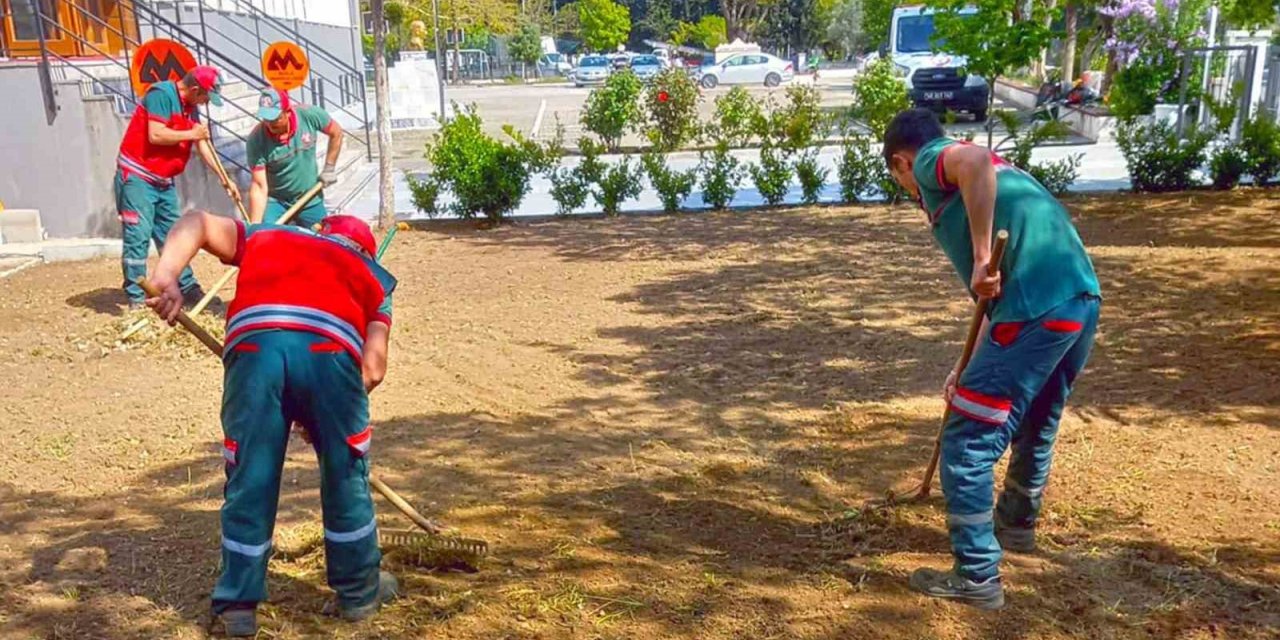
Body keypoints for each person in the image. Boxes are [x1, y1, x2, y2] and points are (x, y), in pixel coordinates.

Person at [881, 108, 1101, 610]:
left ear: (900, 163)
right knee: (1036, 419)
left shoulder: (931, 160)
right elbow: (993, 302)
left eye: (899, 180)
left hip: (1036, 309)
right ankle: (1016, 525)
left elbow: (975, 160)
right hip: (1076, 301)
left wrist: (981, 257)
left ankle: (977, 574)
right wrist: (965, 368)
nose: (910, 192)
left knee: (966, 440)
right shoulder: (1004, 179)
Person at [144, 211, 397, 636]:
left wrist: (167, 274)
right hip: (329, 356)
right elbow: (372, 369)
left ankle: (238, 607)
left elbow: (197, 223)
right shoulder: (375, 278)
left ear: (318, 232)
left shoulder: (271, 235)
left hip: (254, 350)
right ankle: (359, 593)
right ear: (366, 252)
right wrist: (323, 417)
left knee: (251, 476)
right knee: (346, 474)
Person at [116, 66, 240, 309]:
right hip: (138, 176)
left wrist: (225, 178)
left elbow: (201, 142)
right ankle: (136, 296)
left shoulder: (190, 107)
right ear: (195, 89)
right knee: (138, 235)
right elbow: (156, 134)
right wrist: (191, 133)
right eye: (206, 97)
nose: (206, 103)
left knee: (176, 235)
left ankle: (186, 286)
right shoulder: (161, 95)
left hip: (163, 180)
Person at [245, 89, 344, 228]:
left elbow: (336, 132)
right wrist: (254, 227)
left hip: (309, 197)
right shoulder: (256, 139)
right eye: (266, 119)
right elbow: (259, 185)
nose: (270, 123)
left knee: (322, 236)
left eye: (276, 118)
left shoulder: (308, 115)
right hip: (277, 202)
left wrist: (329, 167)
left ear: (288, 112)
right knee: (268, 235)